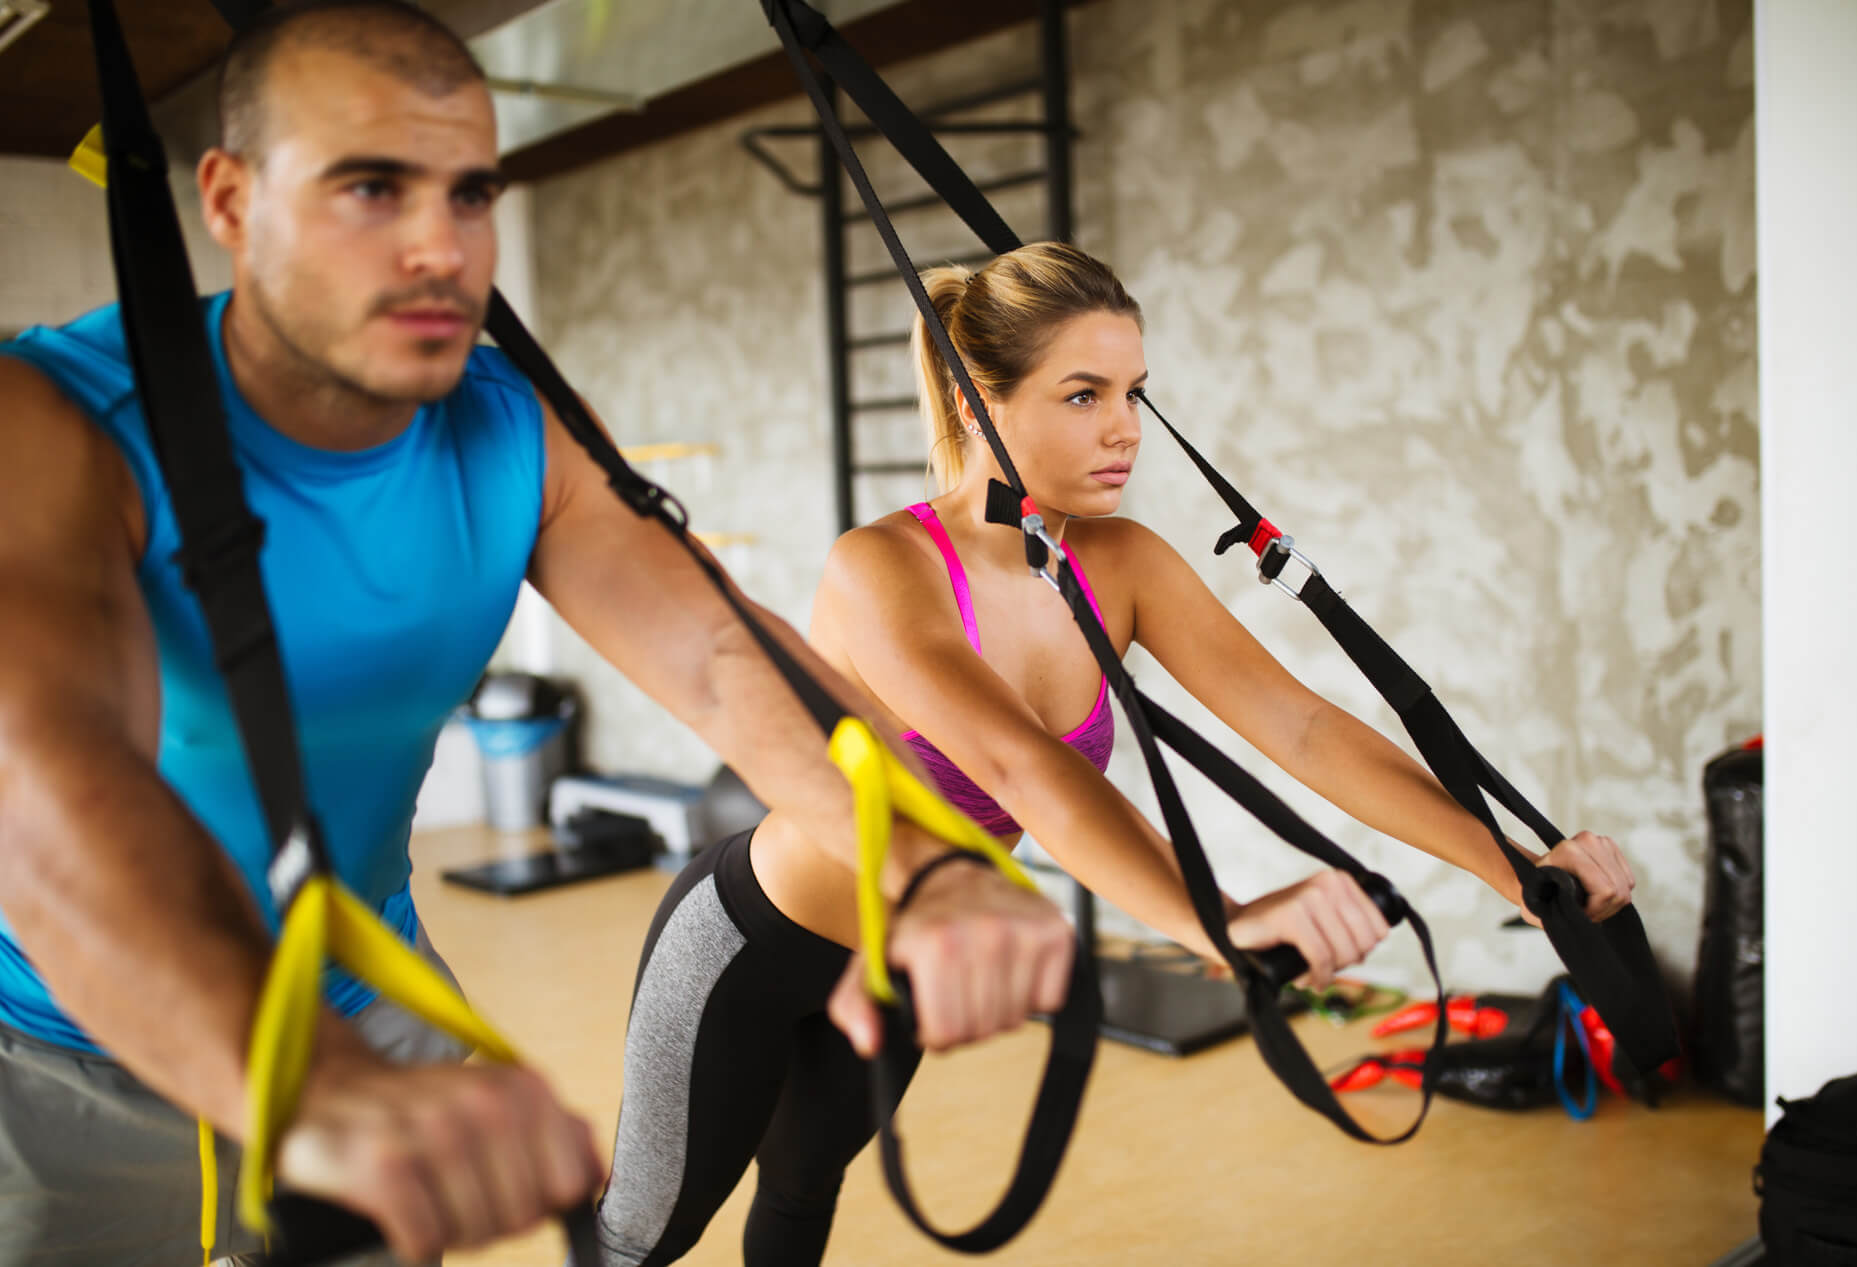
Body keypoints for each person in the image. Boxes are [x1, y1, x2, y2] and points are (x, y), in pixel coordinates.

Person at [0, 4, 1074, 1263]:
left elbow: (724, 659)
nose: (437, 248)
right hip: (58, 1042)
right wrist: (307, 1083)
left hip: (358, 989)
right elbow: (44, 785)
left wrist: (924, 863)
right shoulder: (54, 420)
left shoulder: (509, 426)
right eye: (370, 189)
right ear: (230, 201)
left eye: (469, 195)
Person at [594, 241, 1640, 1266]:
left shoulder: (1123, 563)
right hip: (753, 943)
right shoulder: (884, 567)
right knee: (645, 1235)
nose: (1126, 430)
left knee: (800, 1198)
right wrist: (1217, 923)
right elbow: (1017, 768)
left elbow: (1300, 725)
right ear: (977, 403)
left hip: (908, 957)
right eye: (1083, 394)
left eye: (1135, 393)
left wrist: (1517, 868)